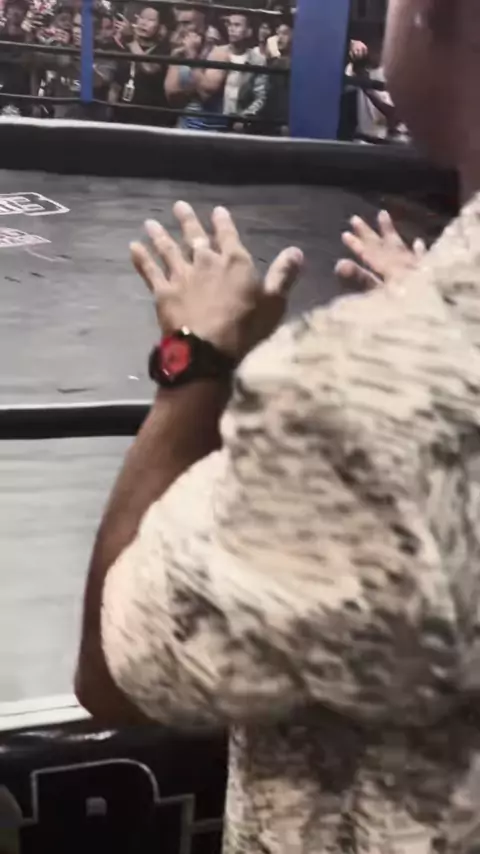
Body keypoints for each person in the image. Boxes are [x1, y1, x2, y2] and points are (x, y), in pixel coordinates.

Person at [76, 1, 480, 852]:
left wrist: (195, 363)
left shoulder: (366, 395)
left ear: (432, 18)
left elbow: (115, 677)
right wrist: (433, 302)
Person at [109, 5, 172, 127]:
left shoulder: (164, 50)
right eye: (142, 17)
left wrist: (130, 40)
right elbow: (115, 86)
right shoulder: (126, 48)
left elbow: (149, 69)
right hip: (121, 120)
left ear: (161, 27)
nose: (143, 23)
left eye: (151, 20)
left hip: (151, 121)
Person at [258, 18, 292, 135]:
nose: (279, 38)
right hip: (269, 121)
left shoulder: (296, 65)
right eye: (278, 34)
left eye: (285, 34)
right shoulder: (274, 63)